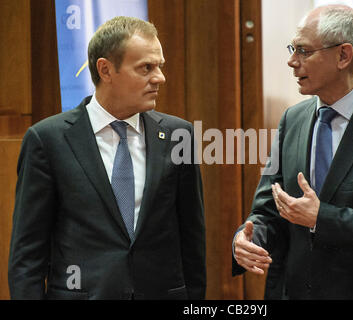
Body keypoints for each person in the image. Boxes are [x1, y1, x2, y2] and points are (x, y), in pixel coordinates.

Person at [232, 5, 353, 299]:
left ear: (343, 55)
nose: (291, 61)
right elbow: (269, 209)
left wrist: (322, 218)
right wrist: (248, 237)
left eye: (303, 51)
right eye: (292, 48)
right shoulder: (292, 120)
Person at [8, 16, 206, 300]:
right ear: (106, 70)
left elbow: (192, 239)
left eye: (159, 66)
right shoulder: (47, 140)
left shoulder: (178, 134)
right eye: (146, 68)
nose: (159, 77)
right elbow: (27, 255)